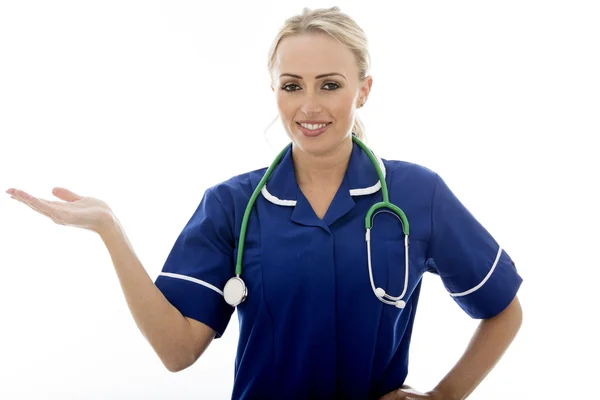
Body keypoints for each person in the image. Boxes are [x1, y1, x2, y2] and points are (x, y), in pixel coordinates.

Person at [6, 6, 523, 400]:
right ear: (274, 89)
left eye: (331, 85)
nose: (310, 105)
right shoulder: (231, 205)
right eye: (293, 86)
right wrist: (110, 229)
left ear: (363, 91)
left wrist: (443, 396)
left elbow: (503, 310)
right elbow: (177, 350)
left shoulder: (417, 194)